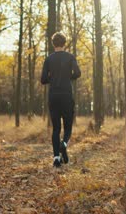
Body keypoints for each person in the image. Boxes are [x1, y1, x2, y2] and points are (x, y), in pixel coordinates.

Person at [41, 32, 81, 167]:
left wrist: (52, 77)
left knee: (56, 128)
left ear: (53, 44)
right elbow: (78, 73)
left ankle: (56, 158)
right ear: (64, 43)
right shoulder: (70, 57)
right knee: (68, 127)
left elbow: (43, 79)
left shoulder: (49, 59)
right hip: (66, 95)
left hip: (53, 96)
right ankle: (63, 144)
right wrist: (68, 77)